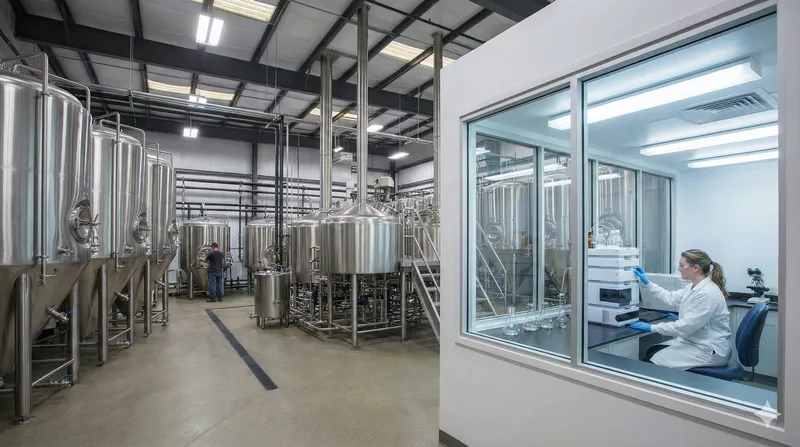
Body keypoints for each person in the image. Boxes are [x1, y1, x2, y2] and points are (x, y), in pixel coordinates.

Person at [630, 249, 731, 370]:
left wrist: (652, 327)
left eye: (682, 265)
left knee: (651, 362)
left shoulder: (707, 293)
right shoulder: (693, 286)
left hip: (708, 349)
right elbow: (671, 298)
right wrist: (647, 282)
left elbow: (686, 326)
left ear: (696, 268)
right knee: (653, 350)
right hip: (695, 342)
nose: (678, 269)